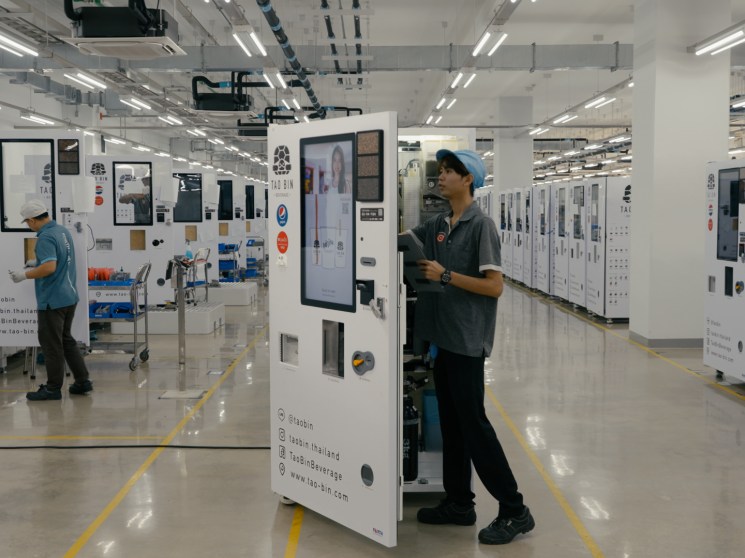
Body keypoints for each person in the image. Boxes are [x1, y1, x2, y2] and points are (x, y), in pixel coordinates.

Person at [406, 149, 534, 545]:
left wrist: (446, 276)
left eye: (449, 172)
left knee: (475, 427)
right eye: (440, 171)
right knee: (452, 424)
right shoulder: (441, 224)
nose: (440, 177)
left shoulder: (482, 226)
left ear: (468, 180)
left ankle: (515, 509)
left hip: (466, 340)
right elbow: (405, 242)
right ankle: (460, 502)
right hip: (442, 339)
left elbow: (494, 287)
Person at [9, 199, 93, 401]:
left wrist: (24, 275)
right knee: (66, 340)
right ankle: (82, 381)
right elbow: (59, 259)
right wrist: (37, 262)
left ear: (32, 220)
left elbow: (50, 267)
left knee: (51, 345)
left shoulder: (45, 237)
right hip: (69, 296)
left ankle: (53, 388)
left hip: (52, 300)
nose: (29, 226)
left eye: (28, 222)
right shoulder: (62, 232)